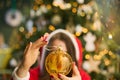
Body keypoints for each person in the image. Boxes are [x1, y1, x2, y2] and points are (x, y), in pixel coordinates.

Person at [11, 29, 91, 80]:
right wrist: (24, 67)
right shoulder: (34, 75)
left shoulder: (83, 77)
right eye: (54, 53)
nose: (58, 60)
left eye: (63, 54)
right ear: (46, 56)